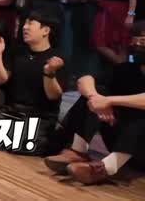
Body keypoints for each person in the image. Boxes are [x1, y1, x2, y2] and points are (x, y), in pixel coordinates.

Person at [44, 22, 145, 185]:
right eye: (135, 40)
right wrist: (95, 98)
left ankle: (107, 168)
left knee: (140, 115)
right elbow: (85, 79)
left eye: (143, 41)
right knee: (95, 92)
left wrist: (108, 101)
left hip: (140, 147)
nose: (138, 45)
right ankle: (78, 151)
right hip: (121, 139)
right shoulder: (127, 69)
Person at [0, 11, 67, 155]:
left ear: (45, 31)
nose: (25, 27)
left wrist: (49, 72)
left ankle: (50, 139)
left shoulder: (57, 58)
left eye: (30, 23)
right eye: (25, 23)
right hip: (11, 112)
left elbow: (53, 95)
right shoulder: (17, 52)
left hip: (39, 117)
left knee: (16, 141)